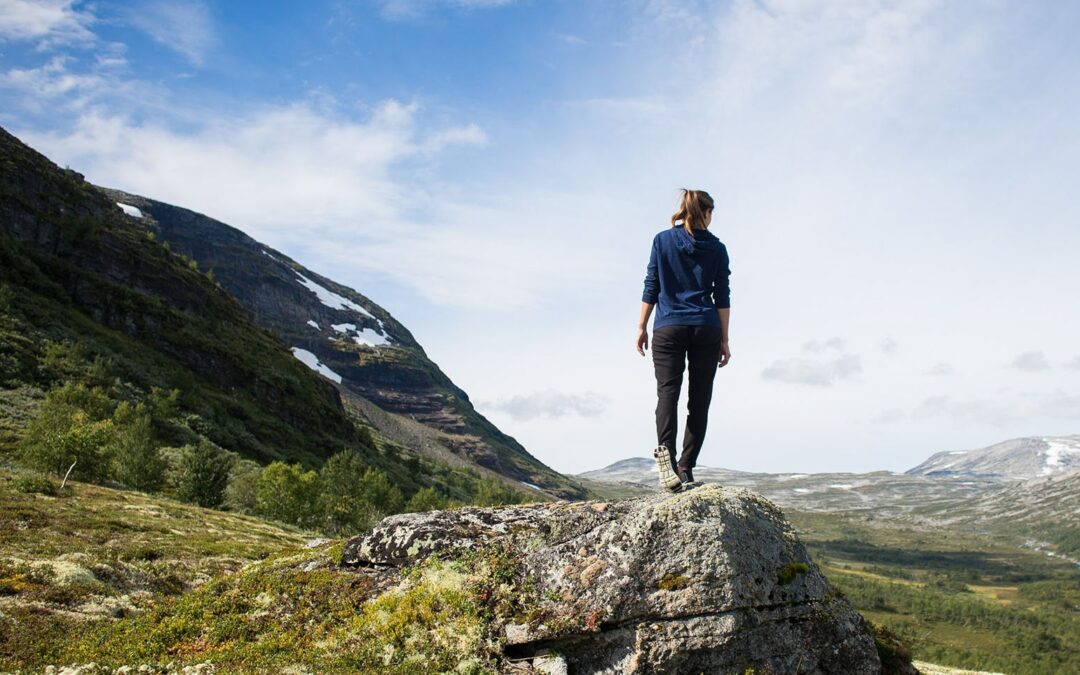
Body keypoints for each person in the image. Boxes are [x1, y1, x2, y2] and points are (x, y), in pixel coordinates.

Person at [636, 188, 731, 492]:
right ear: (706, 213)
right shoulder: (717, 248)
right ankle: (685, 467)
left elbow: (652, 284)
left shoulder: (662, 240)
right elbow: (722, 296)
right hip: (705, 326)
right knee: (699, 400)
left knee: (668, 394)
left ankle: (667, 459)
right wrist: (725, 339)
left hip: (668, 327)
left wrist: (641, 326)